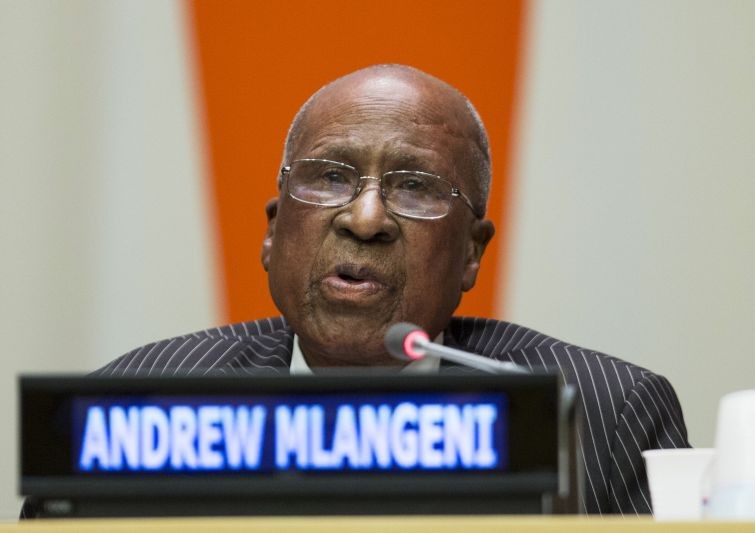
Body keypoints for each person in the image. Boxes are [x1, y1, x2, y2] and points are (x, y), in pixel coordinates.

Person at [93, 64, 689, 514]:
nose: (367, 218)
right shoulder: (134, 409)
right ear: (274, 233)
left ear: (471, 255)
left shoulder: (602, 413)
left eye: (415, 188)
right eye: (330, 177)